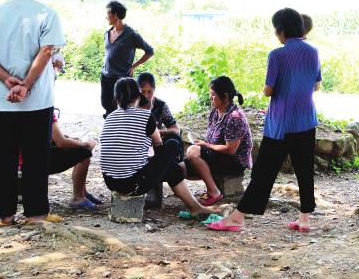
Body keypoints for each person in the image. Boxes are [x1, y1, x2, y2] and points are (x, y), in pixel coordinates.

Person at [207, 8, 321, 233]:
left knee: (264, 173)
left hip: (280, 124)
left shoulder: (277, 55)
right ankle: (305, 218)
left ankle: (237, 217)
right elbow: (316, 85)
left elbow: (269, 90)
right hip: (306, 120)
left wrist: (266, 88)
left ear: (281, 30)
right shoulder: (313, 51)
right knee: (304, 169)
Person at [0, 0, 66, 225]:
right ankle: (36, 214)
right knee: (36, 157)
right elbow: (47, 51)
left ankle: (5, 215)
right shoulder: (47, 14)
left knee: (2, 158)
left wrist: (6, 79)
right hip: (36, 100)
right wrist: (25, 84)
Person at [99, 77, 219, 219]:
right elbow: (158, 145)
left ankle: (196, 208)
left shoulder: (110, 117)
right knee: (173, 144)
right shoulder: (145, 115)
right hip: (133, 184)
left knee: (170, 168)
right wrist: (159, 165)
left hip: (110, 181)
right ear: (138, 96)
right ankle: (196, 208)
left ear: (116, 98)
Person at [183, 76, 253, 206]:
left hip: (235, 161)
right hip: (218, 155)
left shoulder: (235, 117)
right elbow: (212, 140)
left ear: (225, 96)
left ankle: (214, 192)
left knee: (193, 152)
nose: (211, 98)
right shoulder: (215, 112)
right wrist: (204, 144)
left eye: (213, 95)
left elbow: (230, 150)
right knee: (181, 167)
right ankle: (208, 190)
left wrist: (206, 145)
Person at [100, 0, 154, 116]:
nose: (106, 17)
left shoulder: (131, 34)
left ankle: (119, 129)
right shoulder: (107, 33)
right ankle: (111, 126)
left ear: (115, 16)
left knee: (121, 109)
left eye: (108, 13)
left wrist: (134, 65)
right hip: (106, 77)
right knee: (106, 104)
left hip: (121, 78)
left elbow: (149, 51)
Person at [138, 72, 181, 209]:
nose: (146, 95)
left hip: (157, 144)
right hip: (139, 147)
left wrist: (156, 132)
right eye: (142, 91)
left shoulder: (161, 106)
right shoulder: (133, 104)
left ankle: (172, 170)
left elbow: (175, 129)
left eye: (149, 92)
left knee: (174, 140)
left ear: (154, 90)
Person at [46, 111, 100, 209]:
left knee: (77, 146)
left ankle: (83, 192)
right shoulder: (46, 109)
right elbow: (61, 143)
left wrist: (70, 139)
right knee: (84, 153)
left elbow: (53, 136)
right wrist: (85, 144)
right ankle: (78, 198)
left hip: (24, 157)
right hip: (34, 161)